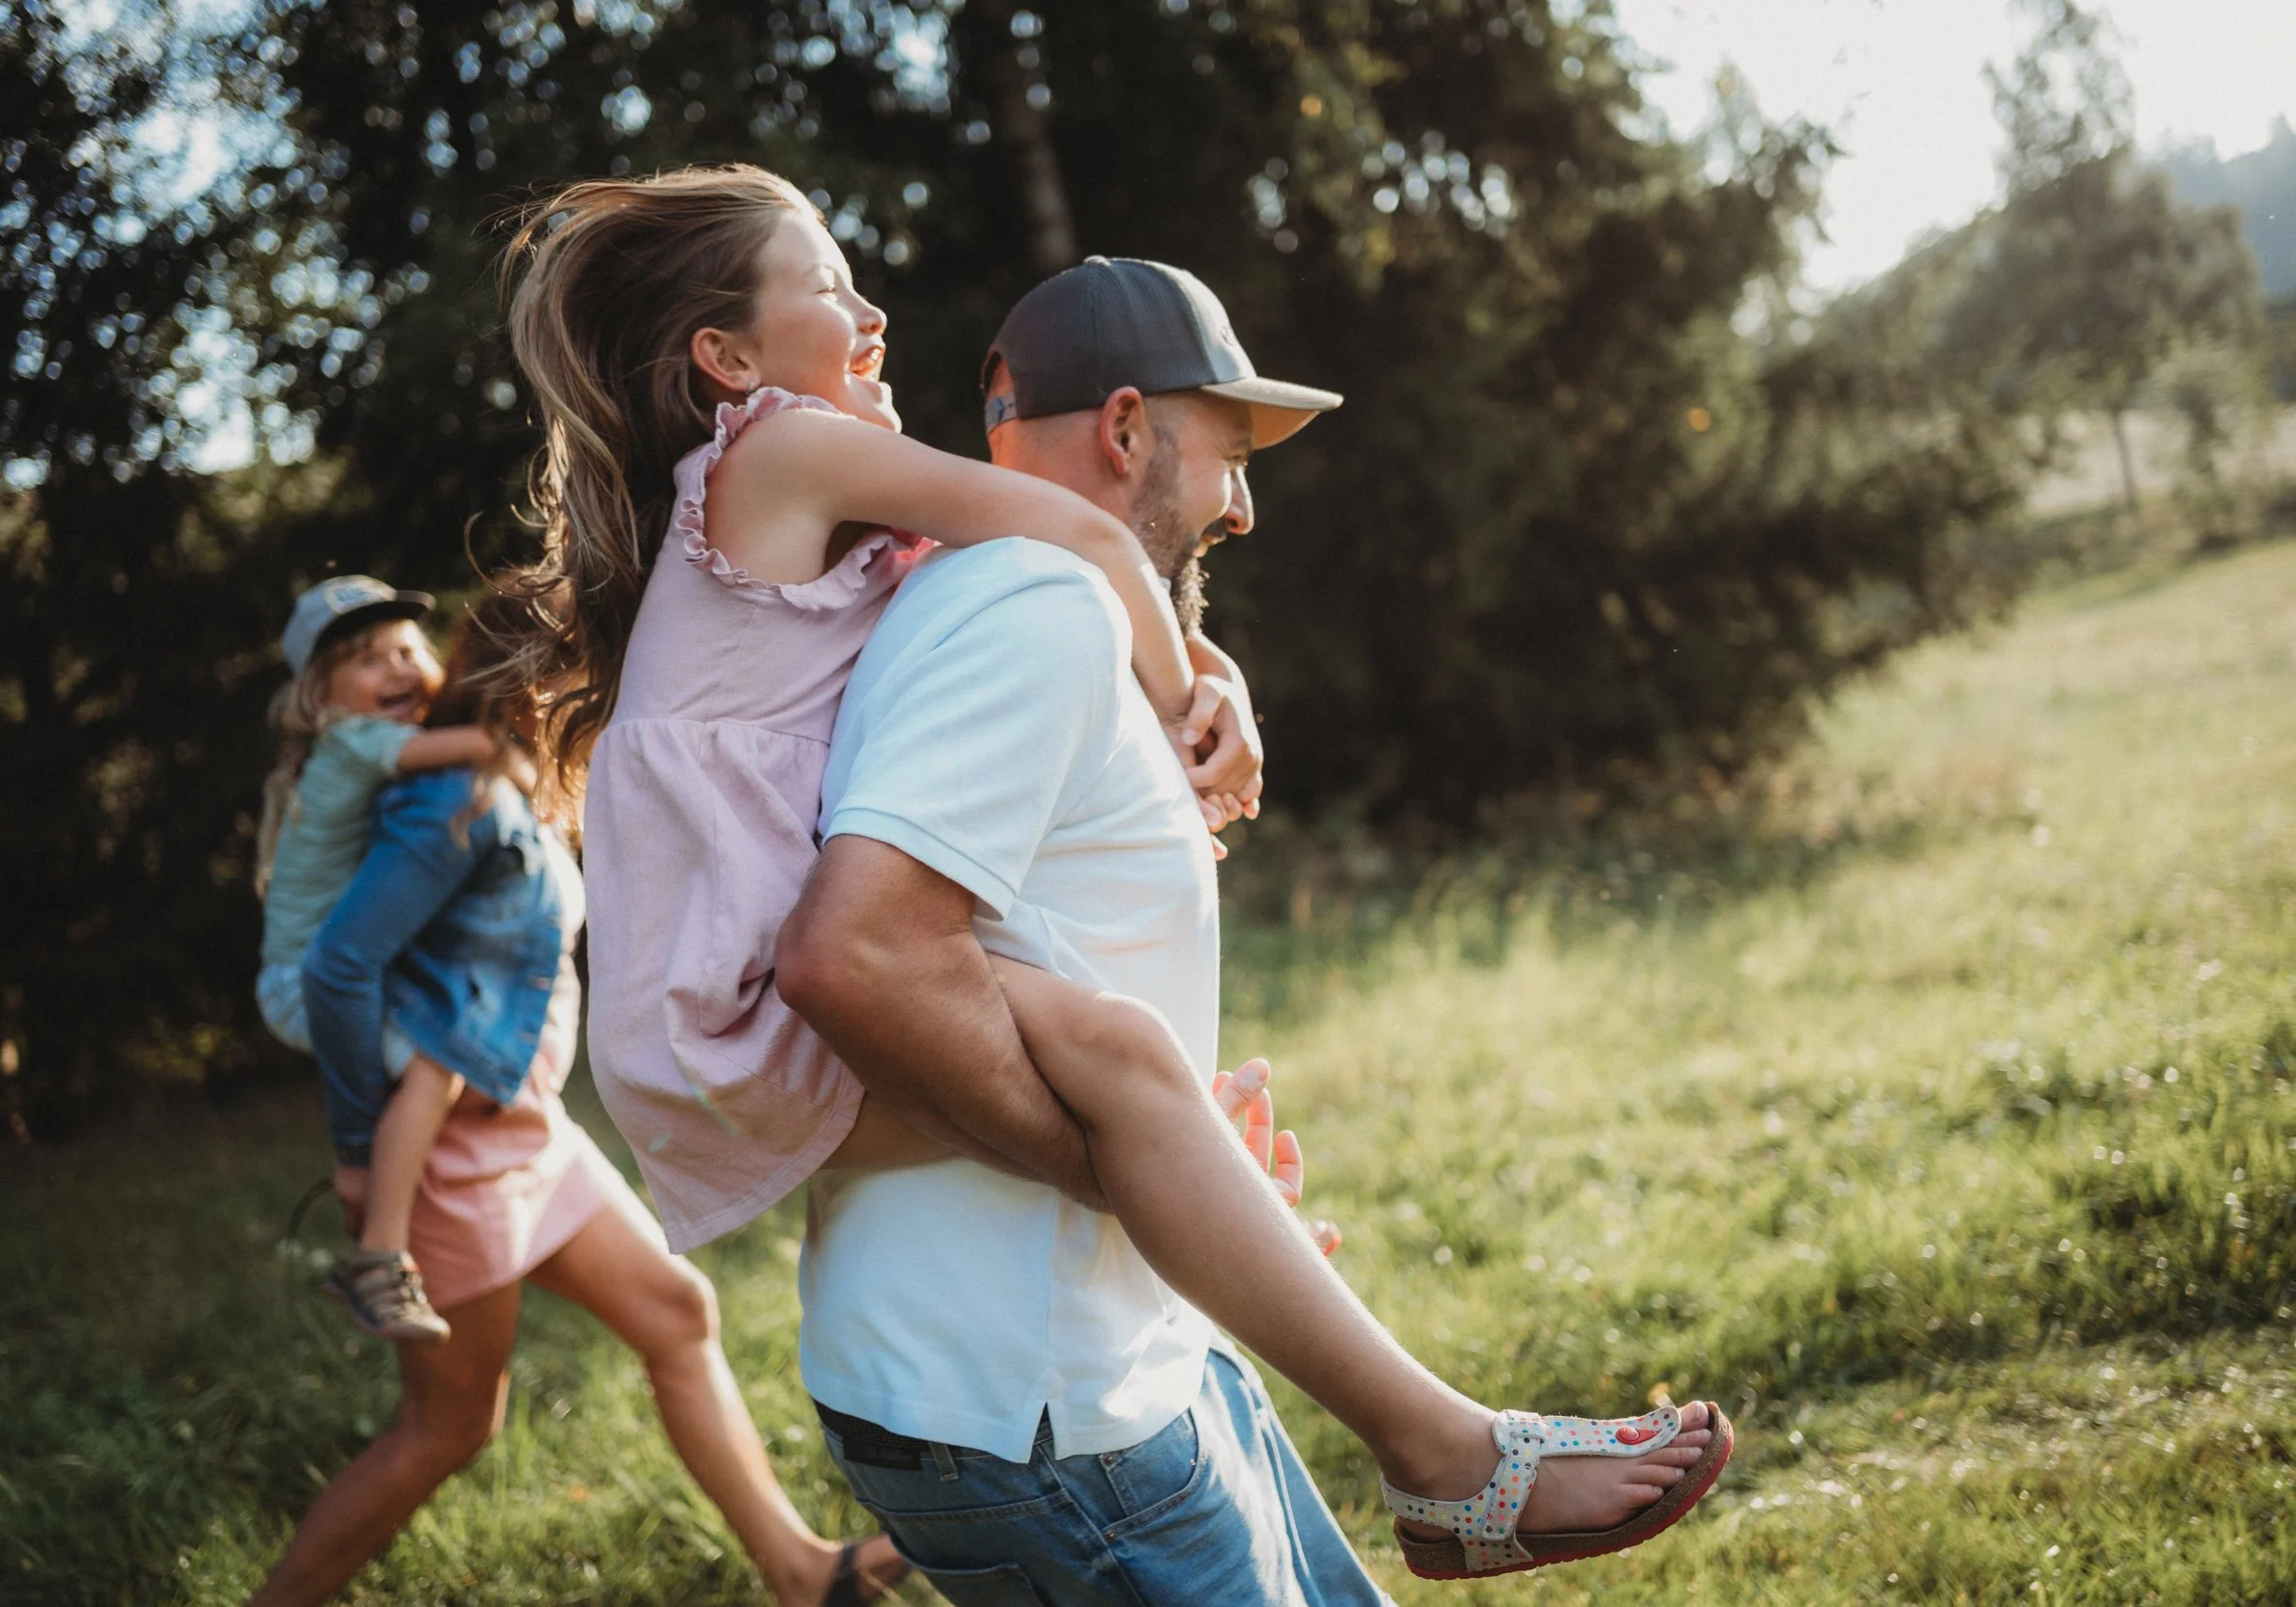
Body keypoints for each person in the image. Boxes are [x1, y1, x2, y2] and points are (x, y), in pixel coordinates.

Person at [492, 162, 1731, 1600]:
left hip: (1082, 1335)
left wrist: (1190, 1179)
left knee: (1139, 1078)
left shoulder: (884, 565)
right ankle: (1446, 1449)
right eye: (1230, 451)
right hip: (1019, 1382)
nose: (1246, 508)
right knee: (1128, 1063)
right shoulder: (824, 480)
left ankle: (1409, 1414)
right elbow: (877, 929)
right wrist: (1192, 683)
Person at [247, 595, 904, 1607]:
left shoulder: (484, 778)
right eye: (579, 669)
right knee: (449, 1427)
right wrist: (355, 1145)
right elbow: (337, 969)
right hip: (456, 1157)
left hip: (529, 1133)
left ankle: (798, 1567)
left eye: (403, 646)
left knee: (678, 1312)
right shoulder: (440, 799)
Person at [255, 576, 506, 1344]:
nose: (398, 668)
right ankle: (379, 1257)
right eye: (367, 659)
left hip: (312, 971)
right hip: (308, 984)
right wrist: (518, 743)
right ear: (319, 696)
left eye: (407, 649)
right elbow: (478, 747)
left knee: (444, 1060)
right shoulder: (354, 742)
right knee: (440, 1064)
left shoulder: (353, 747)